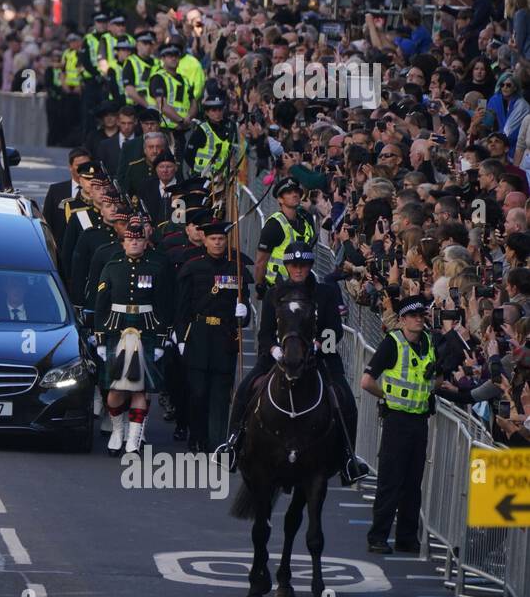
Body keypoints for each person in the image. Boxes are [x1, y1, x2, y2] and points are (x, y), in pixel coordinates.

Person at [219, 245, 370, 483]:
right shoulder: (274, 293)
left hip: (320, 357)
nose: (298, 270)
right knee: (245, 388)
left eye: (303, 265)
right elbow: (266, 332)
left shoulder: (325, 293)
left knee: (346, 399)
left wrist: (318, 345)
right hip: (278, 357)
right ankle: (231, 444)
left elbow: (334, 329)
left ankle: (348, 459)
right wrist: (275, 350)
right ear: (287, 266)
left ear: (310, 266)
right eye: (293, 265)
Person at [92, 218, 174, 452]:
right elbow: (101, 304)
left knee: (140, 388)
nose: (135, 243)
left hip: (146, 328)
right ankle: (118, 430)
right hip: (116, 328)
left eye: (139, 239)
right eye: (130, 240)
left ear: (145, 242)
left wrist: (160, 339)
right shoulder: (112, 266)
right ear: (123, 242)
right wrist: (99, 338)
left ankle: (133, 440)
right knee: (115, 390)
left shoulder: (155, 268)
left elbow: (164, 306)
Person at [362, 296, 437, 555]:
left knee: (413, 483)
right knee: (390, 481)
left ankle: (406, 537)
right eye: (413, 316)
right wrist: (387, 397)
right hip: (397, 420)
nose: (419, 319)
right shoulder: (392, 343)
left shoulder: (428, 342)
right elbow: (367, 381)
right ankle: (378, 537)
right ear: (403, 320)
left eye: (422, 315)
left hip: (420, 420)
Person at [173, 219, 251, 451]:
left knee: (220, 393)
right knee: (197, 392)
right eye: (213, 239)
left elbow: (243, 305)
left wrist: (243, 312)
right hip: (198, 335)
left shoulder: (235, 268)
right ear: (205, 241)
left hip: (224, 337)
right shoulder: (193, 268)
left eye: (221, 239)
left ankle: (217, 442)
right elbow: (182, 307)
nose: (217, 243)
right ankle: (197, 437)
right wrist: (180, 338)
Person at [254, 177, 316, 294]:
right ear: (280, 199)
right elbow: (261, 261)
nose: (294, 195)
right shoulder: (274, 225)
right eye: (289, 192)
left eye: (296, 192)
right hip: (277, 288)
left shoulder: (306, 221)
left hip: (303, 286)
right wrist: (260, 286)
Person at [184, 91, 237, 179]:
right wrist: (198, 171)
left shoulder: (228, 129)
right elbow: (188, 155)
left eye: (220, 110)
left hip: (220, 179)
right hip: (201, 178)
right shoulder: (202, 130)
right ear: (207, 112)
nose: (217, 113)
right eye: (213, 110)